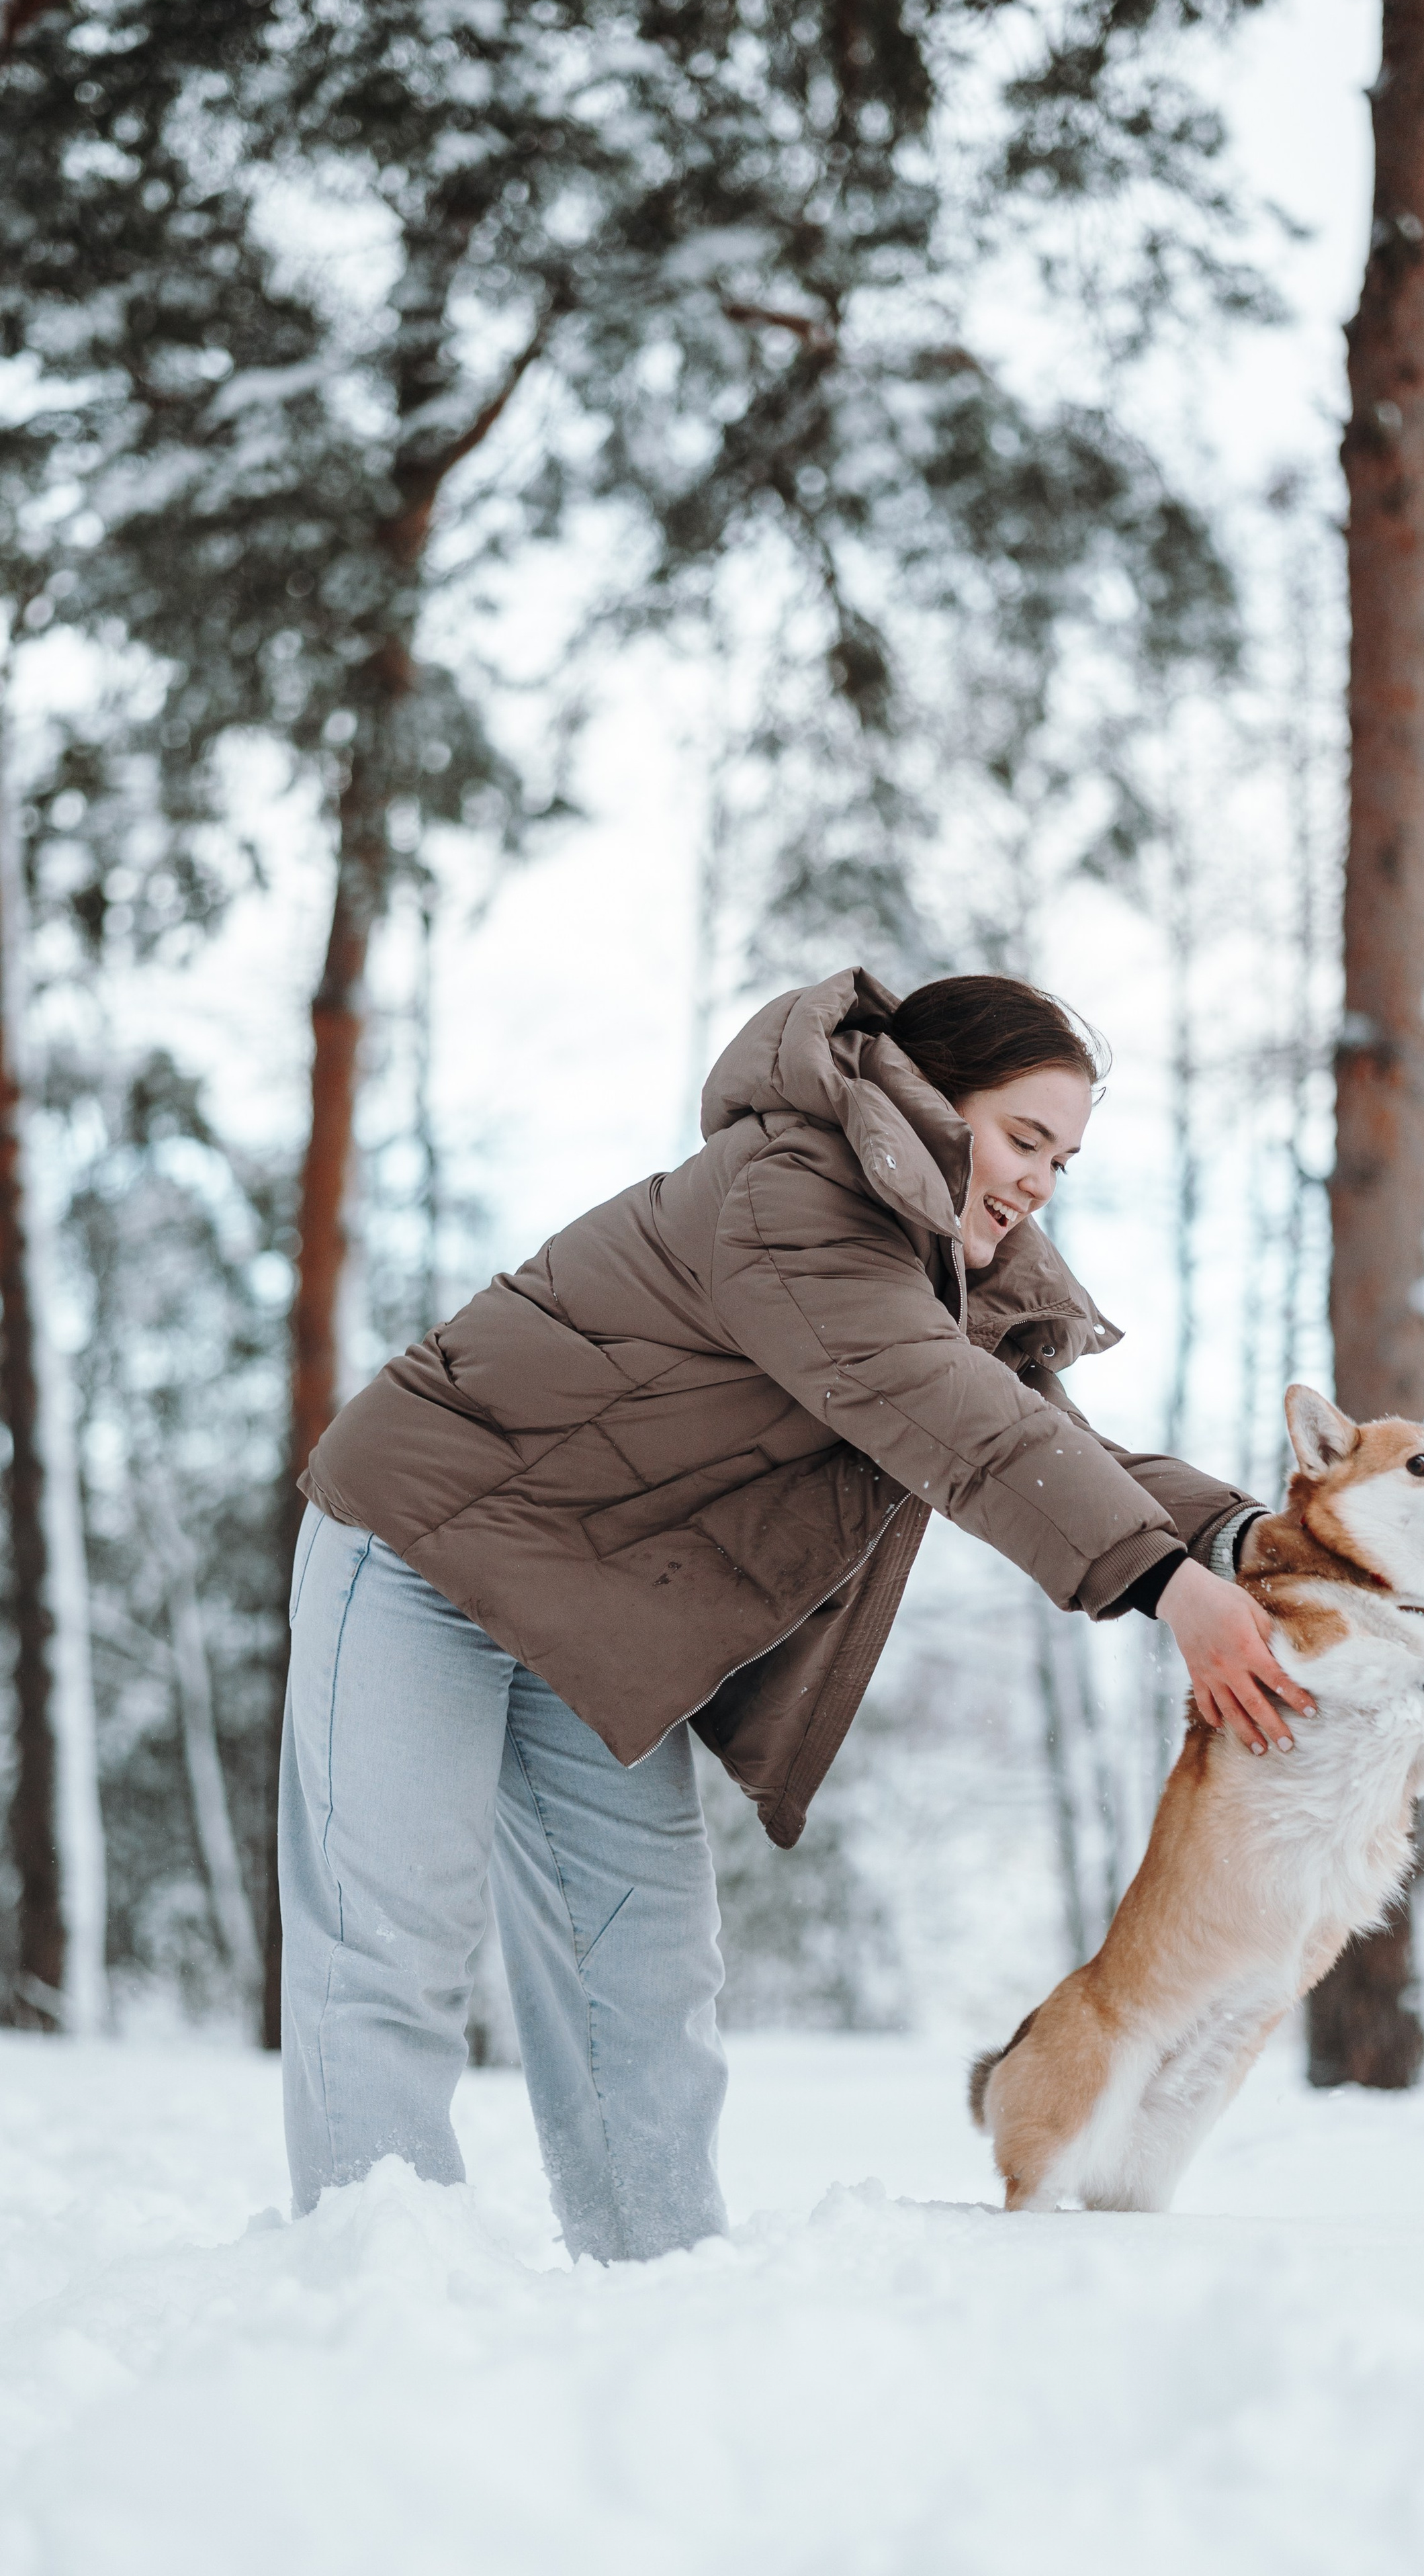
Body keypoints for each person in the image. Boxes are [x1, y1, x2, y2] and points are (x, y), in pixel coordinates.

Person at [279, 966, 1312, 2258]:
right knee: (394, 1940)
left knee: (643, 1962)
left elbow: (1047, 1438)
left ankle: (656, 2273)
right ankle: (367, 2284)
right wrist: (1168, 1590)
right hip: (423, 1544)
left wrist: (1243, 1540)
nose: (1044, 1179)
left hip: (594, 1611)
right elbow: (960, 1425)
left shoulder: (937, 1267)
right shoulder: (793, 1197)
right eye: (1024, 1138)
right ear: (931, 1106)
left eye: (1066, 1158)